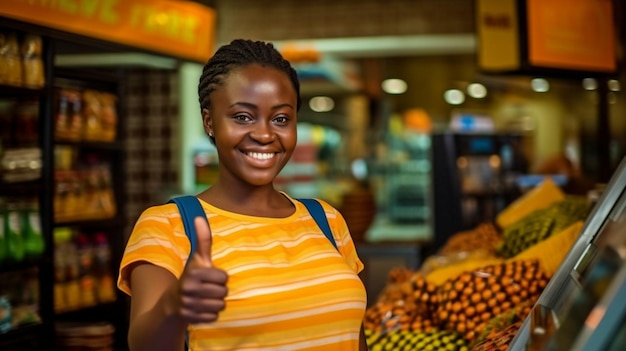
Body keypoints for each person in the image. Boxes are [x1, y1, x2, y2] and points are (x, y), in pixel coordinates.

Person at [117, 39, 369, 351]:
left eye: (280, 119)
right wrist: (173, 307)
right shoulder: (168, 226)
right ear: (210, 122)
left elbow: (354, 338)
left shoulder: (327, 220)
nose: (264, 135)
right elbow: (143, 346)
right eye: (242, 117)